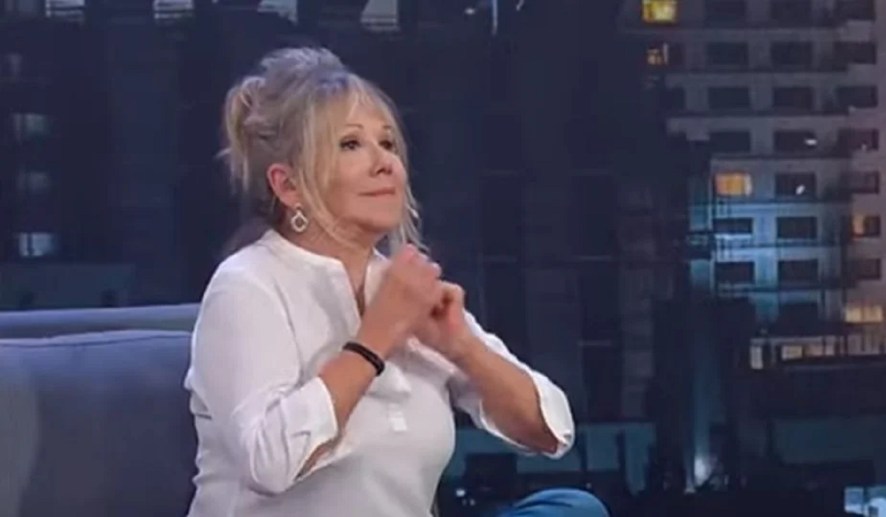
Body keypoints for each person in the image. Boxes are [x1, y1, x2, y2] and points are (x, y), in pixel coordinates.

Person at [184, 46, 608, 517]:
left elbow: (551, 431)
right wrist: (374, 340)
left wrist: (462, 346)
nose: (384, 163)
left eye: (387, 143)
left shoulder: (403, 286)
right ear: (289, 186)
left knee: (574, 510)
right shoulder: (247, 285)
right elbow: (269, 464)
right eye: (351, 145)